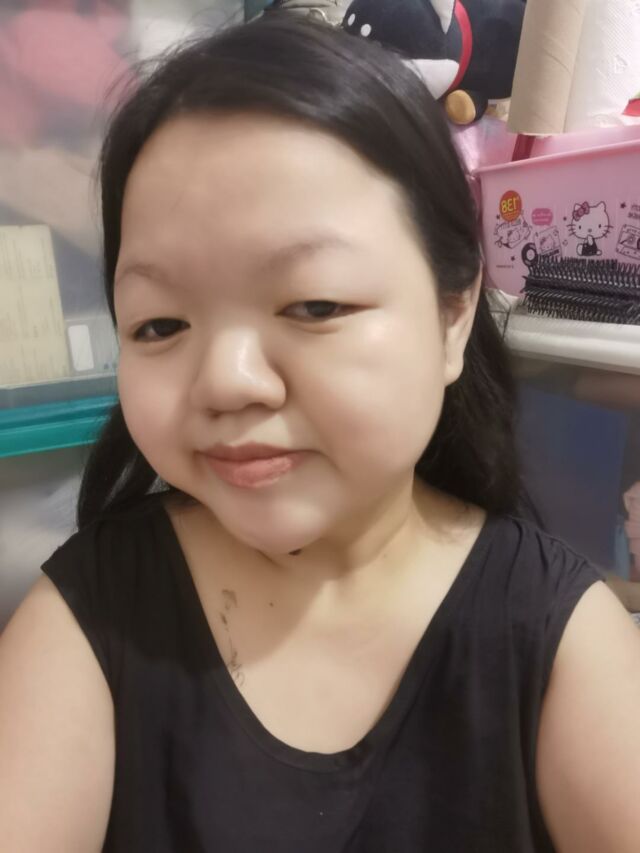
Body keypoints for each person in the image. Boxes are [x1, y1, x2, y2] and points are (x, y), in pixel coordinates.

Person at [1, 13, 639, 853]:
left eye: (314, 304)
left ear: (452, 314)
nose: (226, 379)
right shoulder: (87, 619)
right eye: (160, 323)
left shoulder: (562, 642)